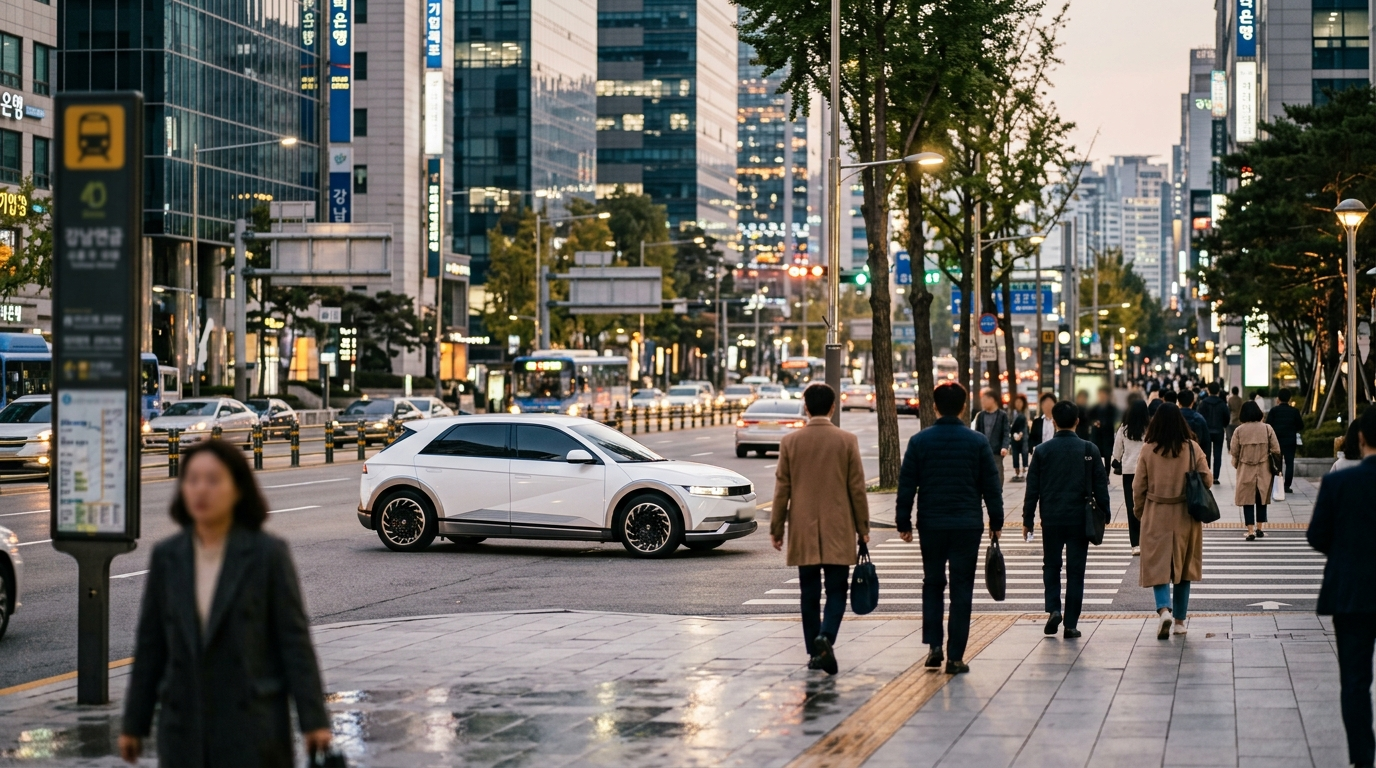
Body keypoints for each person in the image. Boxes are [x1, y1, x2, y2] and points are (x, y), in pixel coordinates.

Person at [120, 440, 331, 766]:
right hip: (184, 733)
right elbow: (151, 645)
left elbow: (293, 641)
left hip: (252, 729)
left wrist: (314, 720)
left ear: (238, 489)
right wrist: (134, 724)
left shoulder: (267, 554)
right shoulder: (168, 556)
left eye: (214, 480)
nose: (201, 490)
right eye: (192, 480)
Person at [896, 382, 1003, 674]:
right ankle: (955, 656)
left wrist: (903, 521)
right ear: (964, 406)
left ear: (934, 406)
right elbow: (991, 486)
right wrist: (997, 522)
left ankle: (934, 647)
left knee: (932, 583)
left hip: (931, 523)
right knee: (961, 588)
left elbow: (907, 485)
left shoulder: (920, 441)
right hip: (967, 525)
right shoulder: (978, 441)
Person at [770, 383, 870, 675]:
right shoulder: (847, 440)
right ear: (832, 407)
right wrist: (863, 526)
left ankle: (814, 653)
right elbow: (857, 489)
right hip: (839, 528)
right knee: (837, 590)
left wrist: (777, 528)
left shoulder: (791, 441)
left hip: (803, 530)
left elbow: (782, 489)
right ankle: (826, 637)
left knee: (809, 593)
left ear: (805, 406)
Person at [1308, 406, 1376, 768]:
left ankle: (1363, 758)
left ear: (1360, 439)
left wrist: (1347, 550)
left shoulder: (1339, 481)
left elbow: (1317, 535)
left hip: (1350, 592)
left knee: (1355, 680)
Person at [1022, 401, 1110, 639]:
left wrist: (1027, 520)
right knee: (1076, 571)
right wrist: (1105, 514)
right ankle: (1070, 624)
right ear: (1077, 421)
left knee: (1051, 566)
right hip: (1079, 520)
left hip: (1051, 518)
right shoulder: (1089, 450)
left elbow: (1033, 490)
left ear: (1054, 421)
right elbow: (1101, 486)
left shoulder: (1042, 451)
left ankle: (1053, 609)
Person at [1133, 403, 1213, 639]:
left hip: (1156, 512)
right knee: (1184, 569)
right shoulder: (1192, 448)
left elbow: (1138, 486)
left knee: (1158, 566)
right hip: (1185, 515)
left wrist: (1141, 512)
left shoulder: (1148, 449)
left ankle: (1163, 610)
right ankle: (1179, 621)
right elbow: (1207, 480)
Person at [1230, 401, 1281, 541]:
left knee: (1247, 500)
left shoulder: (1239, 430)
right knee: (1261, 499)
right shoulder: (1267, 428)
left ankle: (1250, 531)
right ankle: (1260, 528)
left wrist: (1237, 465)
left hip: (1245, 468)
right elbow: (1276, 449)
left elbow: (1234, 451)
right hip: (1263, 468)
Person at [1113, 399, 1150, 556]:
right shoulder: (1149, 429)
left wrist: (1116, 461)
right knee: (1148, 506)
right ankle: (1147, 540)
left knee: (1131, 507)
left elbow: (1116, 452)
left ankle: (1135, 544)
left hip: (1129, 472)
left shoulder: (1124, 429)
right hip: (1147, 472)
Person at [1265, 388, 1304, 494]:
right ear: (1289, 398)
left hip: (1276, 441)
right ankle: (1287, 486)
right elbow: (1300, 425)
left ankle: (1277, 485)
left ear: (1278, 398)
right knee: (1289, 463)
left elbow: (1268, 425)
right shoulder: (1294, 411)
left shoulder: (1274, 411)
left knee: (1277, 463)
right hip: (1290, 441)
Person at [973, 390, 1011, 486]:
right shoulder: (981, 416)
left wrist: (1004, 446)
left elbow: (1006, 432)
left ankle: (997, 490)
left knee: (997, 473)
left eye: (984, 400)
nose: (983, 403)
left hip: (996, 451)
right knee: (982, 473)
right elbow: (978, 432)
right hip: (983, 450)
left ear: (992, 400)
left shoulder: (1002, 415)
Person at [1198, 382, 1230, 478]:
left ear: (1208, 390)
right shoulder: (1222, 404)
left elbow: (1199, 417)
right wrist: (1223, 425)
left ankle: (1207, 475)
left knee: (1206, 454)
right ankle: (1216, 476)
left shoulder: (1203, 403)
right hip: (1219, 431)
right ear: (1218, 391)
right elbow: (1227, 417)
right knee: (1217, 454)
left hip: (1206, 431)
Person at [1177, 389, 1213, 467]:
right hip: (1194, 460)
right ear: (1193, 402)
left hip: (1176, 460)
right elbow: (1206, 443)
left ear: (1178, 402)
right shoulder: (1199, 419)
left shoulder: (1173, 417)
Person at [1089, 387, 1120, 474]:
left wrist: (1103, 423)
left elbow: (1114, 419)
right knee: (1096, 455)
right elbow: (1090, 417)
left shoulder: (1111, 408)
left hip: (1107, 435)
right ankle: (1097, 473)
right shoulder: (1095, 407)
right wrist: (1094, 423)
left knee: (1107, 456)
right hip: (1097, 435)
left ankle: (1106, 474)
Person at [1010, 394, 1030, 482]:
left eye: (1020, 402)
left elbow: (1025, 425)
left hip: (1023, 435)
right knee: (1015, 453)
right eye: (1017, 402)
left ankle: (1024, 469)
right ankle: (1016, 470)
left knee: (1024, 452)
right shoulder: (1011, 413)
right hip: (1014, 435)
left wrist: (1021, 434)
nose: (1018, 404)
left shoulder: (1025, 412)